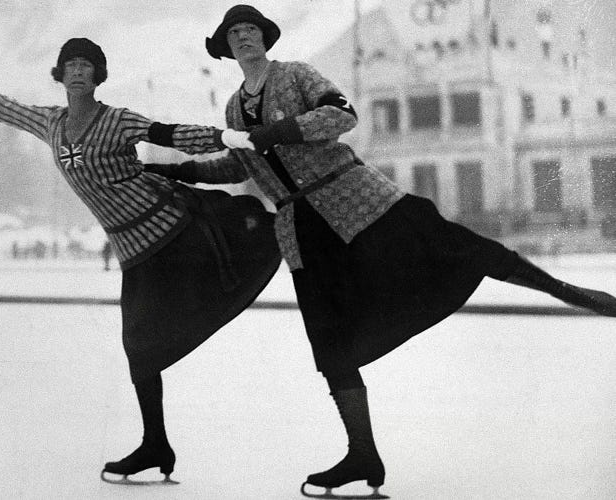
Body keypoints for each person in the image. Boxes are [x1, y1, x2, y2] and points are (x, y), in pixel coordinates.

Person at [144, 5, 616, 498]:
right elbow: (240, 168)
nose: (244, 38)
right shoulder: (233, 109)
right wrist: (178, 172)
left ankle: (567, 290)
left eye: (251, 30)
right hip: (300, 228)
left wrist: (279, 132)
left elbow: (343, 114)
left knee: (456, 246)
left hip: (357, 197)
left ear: (265, 38)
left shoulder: (297, 75)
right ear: (226, 48)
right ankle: (362, 454)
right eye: (233, 33)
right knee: (328, 341)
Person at [0, 38, 281, 484]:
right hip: (134, 252)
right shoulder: (50, 122)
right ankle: (156, 444)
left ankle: (291, 229)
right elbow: (2, 107)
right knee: (138, 349)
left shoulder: (117, 119)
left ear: (98, 74)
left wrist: (222, 137)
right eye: (71, 65)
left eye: (87, 65)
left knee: (232, 262)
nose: (78, 72)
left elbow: (165, 133)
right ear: (60, 74)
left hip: (175, 228)